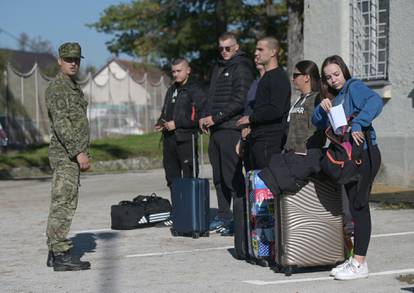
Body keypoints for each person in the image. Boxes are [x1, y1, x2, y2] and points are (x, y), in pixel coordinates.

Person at [312, 55, 383, 280]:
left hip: (365, 154)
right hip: (351, 158)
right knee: (355, 207)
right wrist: (322, 109)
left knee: (359, 207)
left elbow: (375, 100)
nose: (333, 80)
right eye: (328, 77)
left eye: (336, 74)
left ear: (344, 71)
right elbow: (317, 122)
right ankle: (355, 260)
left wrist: (359, 123)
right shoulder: (334, 97)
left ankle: (360, 263)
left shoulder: (354, 87)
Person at [199, 32, 253, 235]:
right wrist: (206, 117)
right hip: (217, 130)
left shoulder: (242, 67)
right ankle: (224, 216)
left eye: (228, 48)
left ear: (236, 47)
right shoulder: (218, 67)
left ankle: (239, 218)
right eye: (221, 48)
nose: (224, 52)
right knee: (219, 177)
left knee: (232, 177)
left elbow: (240, 99)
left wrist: (217, 117)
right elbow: (210, 97)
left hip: (231, 128)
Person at [45, 42, 91, 271]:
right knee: (63, 205)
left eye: (77, 59)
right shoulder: (58, 88)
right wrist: (78, 152)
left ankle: (54, 251)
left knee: (64, 203)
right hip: (66, 156)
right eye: (69, 59)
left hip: (69, 155)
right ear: (59, 61)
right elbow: (62, 124)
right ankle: (61, 254)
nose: (73, 63)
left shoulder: (72, 86)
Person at [237, 37, 291, 169]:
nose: (256, 53)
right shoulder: (266, 77)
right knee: (255, 184)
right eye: (256, 49)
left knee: (266, 184)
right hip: (258, 139)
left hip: (270, 141)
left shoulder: (278, 77)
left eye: (260, 49)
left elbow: (275, 110)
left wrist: (250, 118)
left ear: (273, 52)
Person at [155, 58, 206, 188]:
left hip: (186, 140)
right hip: (169, 140)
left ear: (188, 70)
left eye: (179, 71)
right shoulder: (171, 89)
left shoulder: (195, 90)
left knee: (189, 179)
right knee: (172, 179)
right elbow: (166, 111)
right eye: (173, 71)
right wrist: (161, 122)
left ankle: (190, 208)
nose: (176, 74)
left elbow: (199, 117)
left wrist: (177, 124)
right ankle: (178, 207)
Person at [236, 60, 265, 172]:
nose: (257, 58)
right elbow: (248, 109)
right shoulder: (254, 83)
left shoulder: (272, 82)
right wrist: (242, 136)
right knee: (250, 176)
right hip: (248, 137)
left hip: (262, 136)